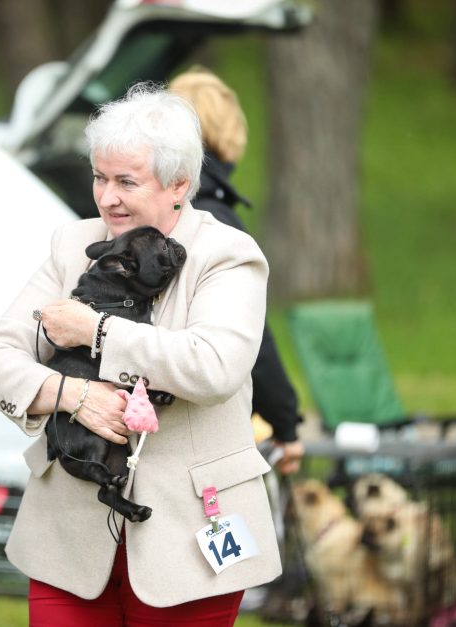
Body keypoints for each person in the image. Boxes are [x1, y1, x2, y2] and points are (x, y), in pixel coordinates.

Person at [0, 83, 281, 626]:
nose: (107, 197)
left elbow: (213, 368)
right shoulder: (72, 245)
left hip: (190, 541)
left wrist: (96, 332)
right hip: (66, 538)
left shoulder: (227, 255)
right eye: (100, 177)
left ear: (179, 184)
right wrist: (71, 394)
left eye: (126, 182)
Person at [169, 67, 304, 475]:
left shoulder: (166, 211)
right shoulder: (216, 220)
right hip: (207, 432)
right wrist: (285, 422)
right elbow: (249, 334)